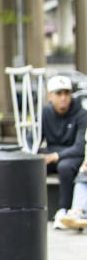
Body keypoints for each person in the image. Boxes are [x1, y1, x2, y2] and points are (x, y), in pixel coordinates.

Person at [40, 74, 87, 217]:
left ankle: (64, 210)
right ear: (50, 96)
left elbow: (80, 147)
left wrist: (55, 156)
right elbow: (33, 139)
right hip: (52, 153)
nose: (63, 97)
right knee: (33, 164)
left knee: (65, 167)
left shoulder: (81, 114)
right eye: (59, 93)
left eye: (67, 93)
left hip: (73, 155)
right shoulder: (44, 113)